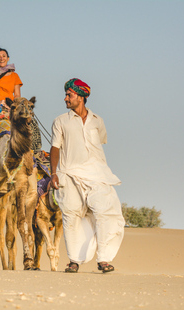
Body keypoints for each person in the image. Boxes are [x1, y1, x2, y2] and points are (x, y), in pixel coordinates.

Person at [49, 78, 125, 273]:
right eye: (66, 94)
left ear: (81, 97)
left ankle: (104, 259)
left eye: (69, 95)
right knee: (72, 216)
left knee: (106, 213)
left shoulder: (98, 121)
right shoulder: (60, 121)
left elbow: (100, 143)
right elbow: (55, 148)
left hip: (98, 175)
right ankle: (74, 260)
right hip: (70, 174)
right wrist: (54, 173)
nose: (65, 98)